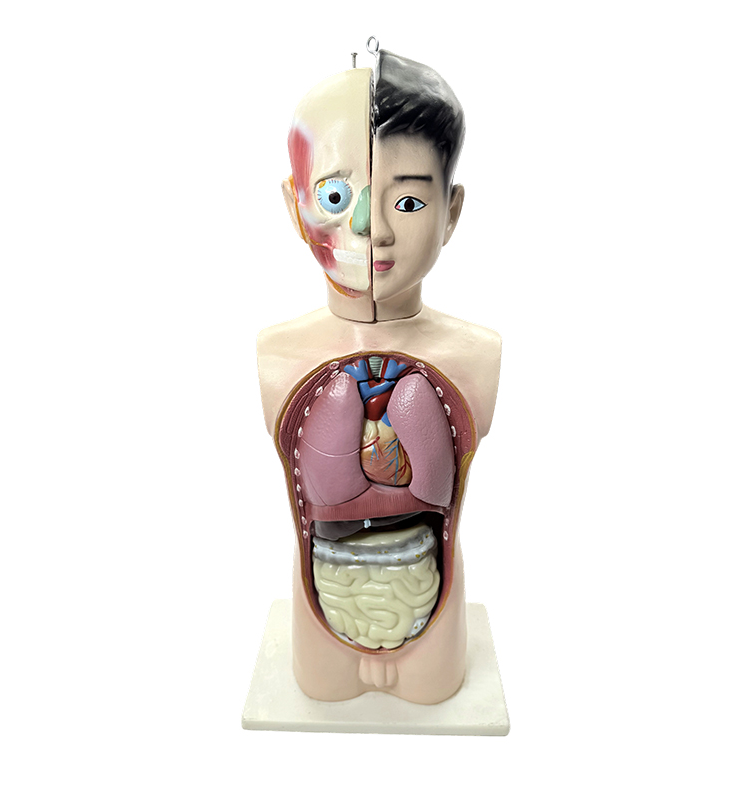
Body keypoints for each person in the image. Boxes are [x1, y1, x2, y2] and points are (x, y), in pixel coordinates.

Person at [257, 50, 502, 704]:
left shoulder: (477, 354)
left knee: (432, 685)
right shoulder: (277, 353)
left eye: (410, 200)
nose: (372, 228)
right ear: (295, 207)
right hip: (326, 593)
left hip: (428, 598)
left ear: (452, 212)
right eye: (335, 197)